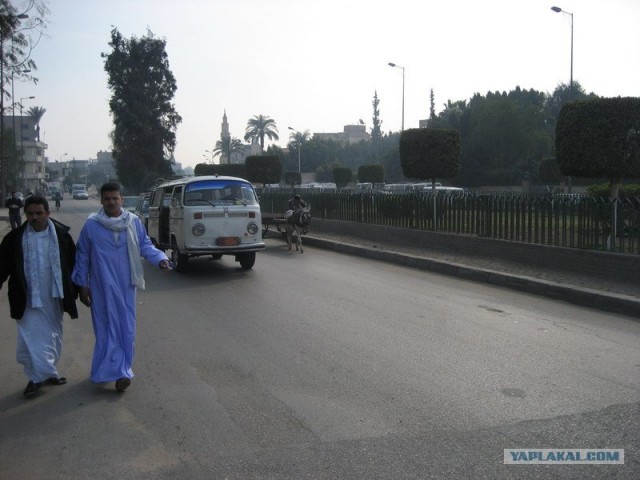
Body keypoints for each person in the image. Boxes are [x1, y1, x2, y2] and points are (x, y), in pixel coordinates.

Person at [72, 182, 171, 393]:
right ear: (101, 201)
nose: (111, 202)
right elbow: (82, 256)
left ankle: (122, 372)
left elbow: (145, 245)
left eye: (114, 198)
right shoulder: (92, 225)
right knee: (106, 329)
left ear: (121, 200)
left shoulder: (133, 222)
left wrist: (160, 259)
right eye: (107, 198)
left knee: (126, 329)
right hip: (101, 287)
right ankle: (106, 370)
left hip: (126, 286)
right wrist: (82, 285)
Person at [0, 195, 78, 398]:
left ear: (48, 213)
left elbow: (73, 265)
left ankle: (49, 371)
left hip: (54, 296)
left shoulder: (61, 235)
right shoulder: (15, 238)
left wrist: (79, 290)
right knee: (32, 337)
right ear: (25, 214)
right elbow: (2, 265)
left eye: (39, 213)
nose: (34, 217)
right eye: (30, 213)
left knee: (53, 335)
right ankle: (36, 378)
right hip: (26, 297)